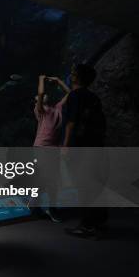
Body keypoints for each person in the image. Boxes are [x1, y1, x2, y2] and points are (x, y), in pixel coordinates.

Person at [62, 64, 107, 239]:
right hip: (94, 145)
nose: (71, 74)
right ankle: (99, 220)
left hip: (79, 146)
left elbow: (71, 122)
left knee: (83, 184)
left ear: (77, 77)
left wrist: (66, 145)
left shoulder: (75, 96)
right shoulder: (93, 97)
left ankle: (87, 225)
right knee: (95, 183)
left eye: (73, 73)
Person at [31, 75, 70, 223]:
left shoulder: (57, 109)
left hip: (54, 148)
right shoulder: (39, 110)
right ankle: (40, 207)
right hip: (41, 147)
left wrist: (59, 81)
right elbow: (40, 93)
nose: (42, 95)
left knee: (53, 179)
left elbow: (71, 94)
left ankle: (43, 207)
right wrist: (41, 79)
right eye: (39, 97)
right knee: (44, 179)